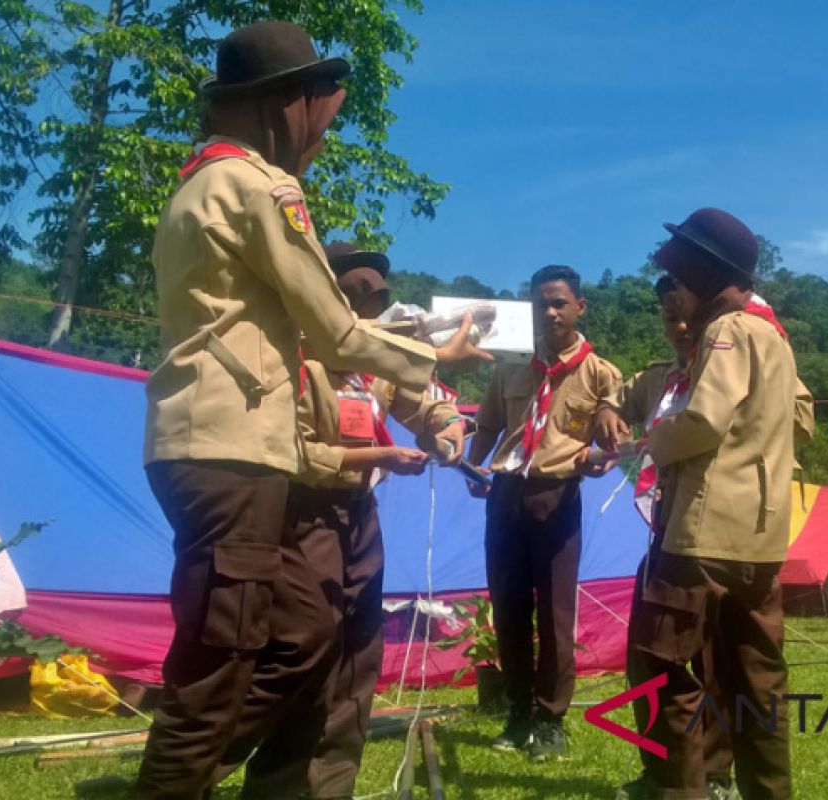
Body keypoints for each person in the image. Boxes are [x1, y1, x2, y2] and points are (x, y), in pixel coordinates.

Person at [139, 22, 482, 799]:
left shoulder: (193, 185)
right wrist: (437, 358)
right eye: (316, 113)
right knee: (220, 667)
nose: (319, 136)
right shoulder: (260, 185)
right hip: (235, 452)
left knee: (234, 656)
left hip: (194, 441)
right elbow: (330, 327)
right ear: (284, 106)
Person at [214, 243, 471, 798]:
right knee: (301, 648)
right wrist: (379, 458)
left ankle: (330, 786)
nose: (367, 311)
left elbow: (422, 400)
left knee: (358, 652)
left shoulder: (375, 357)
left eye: (376, 299)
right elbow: (291, 450)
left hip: (358, 516)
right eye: (354, 295)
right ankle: (228, 772)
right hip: (299, 513)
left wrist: (448, 424)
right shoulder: (286, 354)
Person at [616, 208, 814, 800]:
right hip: (761, 536)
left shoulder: (727, 330)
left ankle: (679, 791)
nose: (674, 287)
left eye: (681, 273)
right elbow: (799, 418)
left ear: (706, 272)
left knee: (667, 672)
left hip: (702, 536)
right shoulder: (774, 335)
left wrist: (645, 443)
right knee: (757, 680)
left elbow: (703, 418)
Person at [466, 265, 622, 762]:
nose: (549, 312)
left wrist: (602, 454)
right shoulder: (510, 365)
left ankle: (551, 719)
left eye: (559, 302)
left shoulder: (600, 373)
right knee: (508, 609)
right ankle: (517, 711)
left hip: (557, 496)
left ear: (580, 307)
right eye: (540, 303)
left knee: (556, 613)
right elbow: (489, 425)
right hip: (507, 492)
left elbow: (609, 434)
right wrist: (473, 465)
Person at [594, 276, 737, 800]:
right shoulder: (661, 380)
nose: (679, 329)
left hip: (719, 530)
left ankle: (713, 776)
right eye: (668, 318)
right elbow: (616, 399)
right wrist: (609, 410)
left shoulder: (731, 367)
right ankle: (663, 772)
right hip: (665, 531)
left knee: (713, 658)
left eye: (687, 317)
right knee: (650, 656)